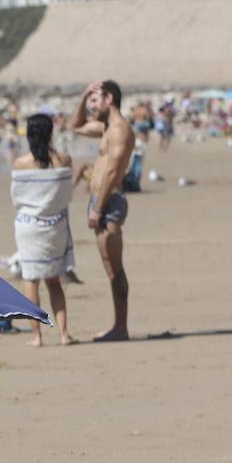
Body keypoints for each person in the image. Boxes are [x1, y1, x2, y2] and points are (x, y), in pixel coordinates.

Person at [70, 80, 135, 342]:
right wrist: (84, 93)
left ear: (110, 100)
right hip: (100, 201)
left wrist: (97, 208)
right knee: (110, 266)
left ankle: (121, 327)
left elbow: (111, 171)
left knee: (115, 268)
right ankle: (118, 326)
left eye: (96, 101)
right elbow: (74, 126)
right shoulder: (106, 128)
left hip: (109, 202)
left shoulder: (119, 130)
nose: (92, 106)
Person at [12, 114, 76, 347]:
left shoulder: (20, 164)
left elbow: (17, 198)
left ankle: (37, 336)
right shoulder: (64, 160)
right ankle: (64, 334)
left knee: (31, 279)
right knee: (54, 281)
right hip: (55, 226)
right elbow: (66, 194)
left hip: (29, 227)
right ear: (50, 133)